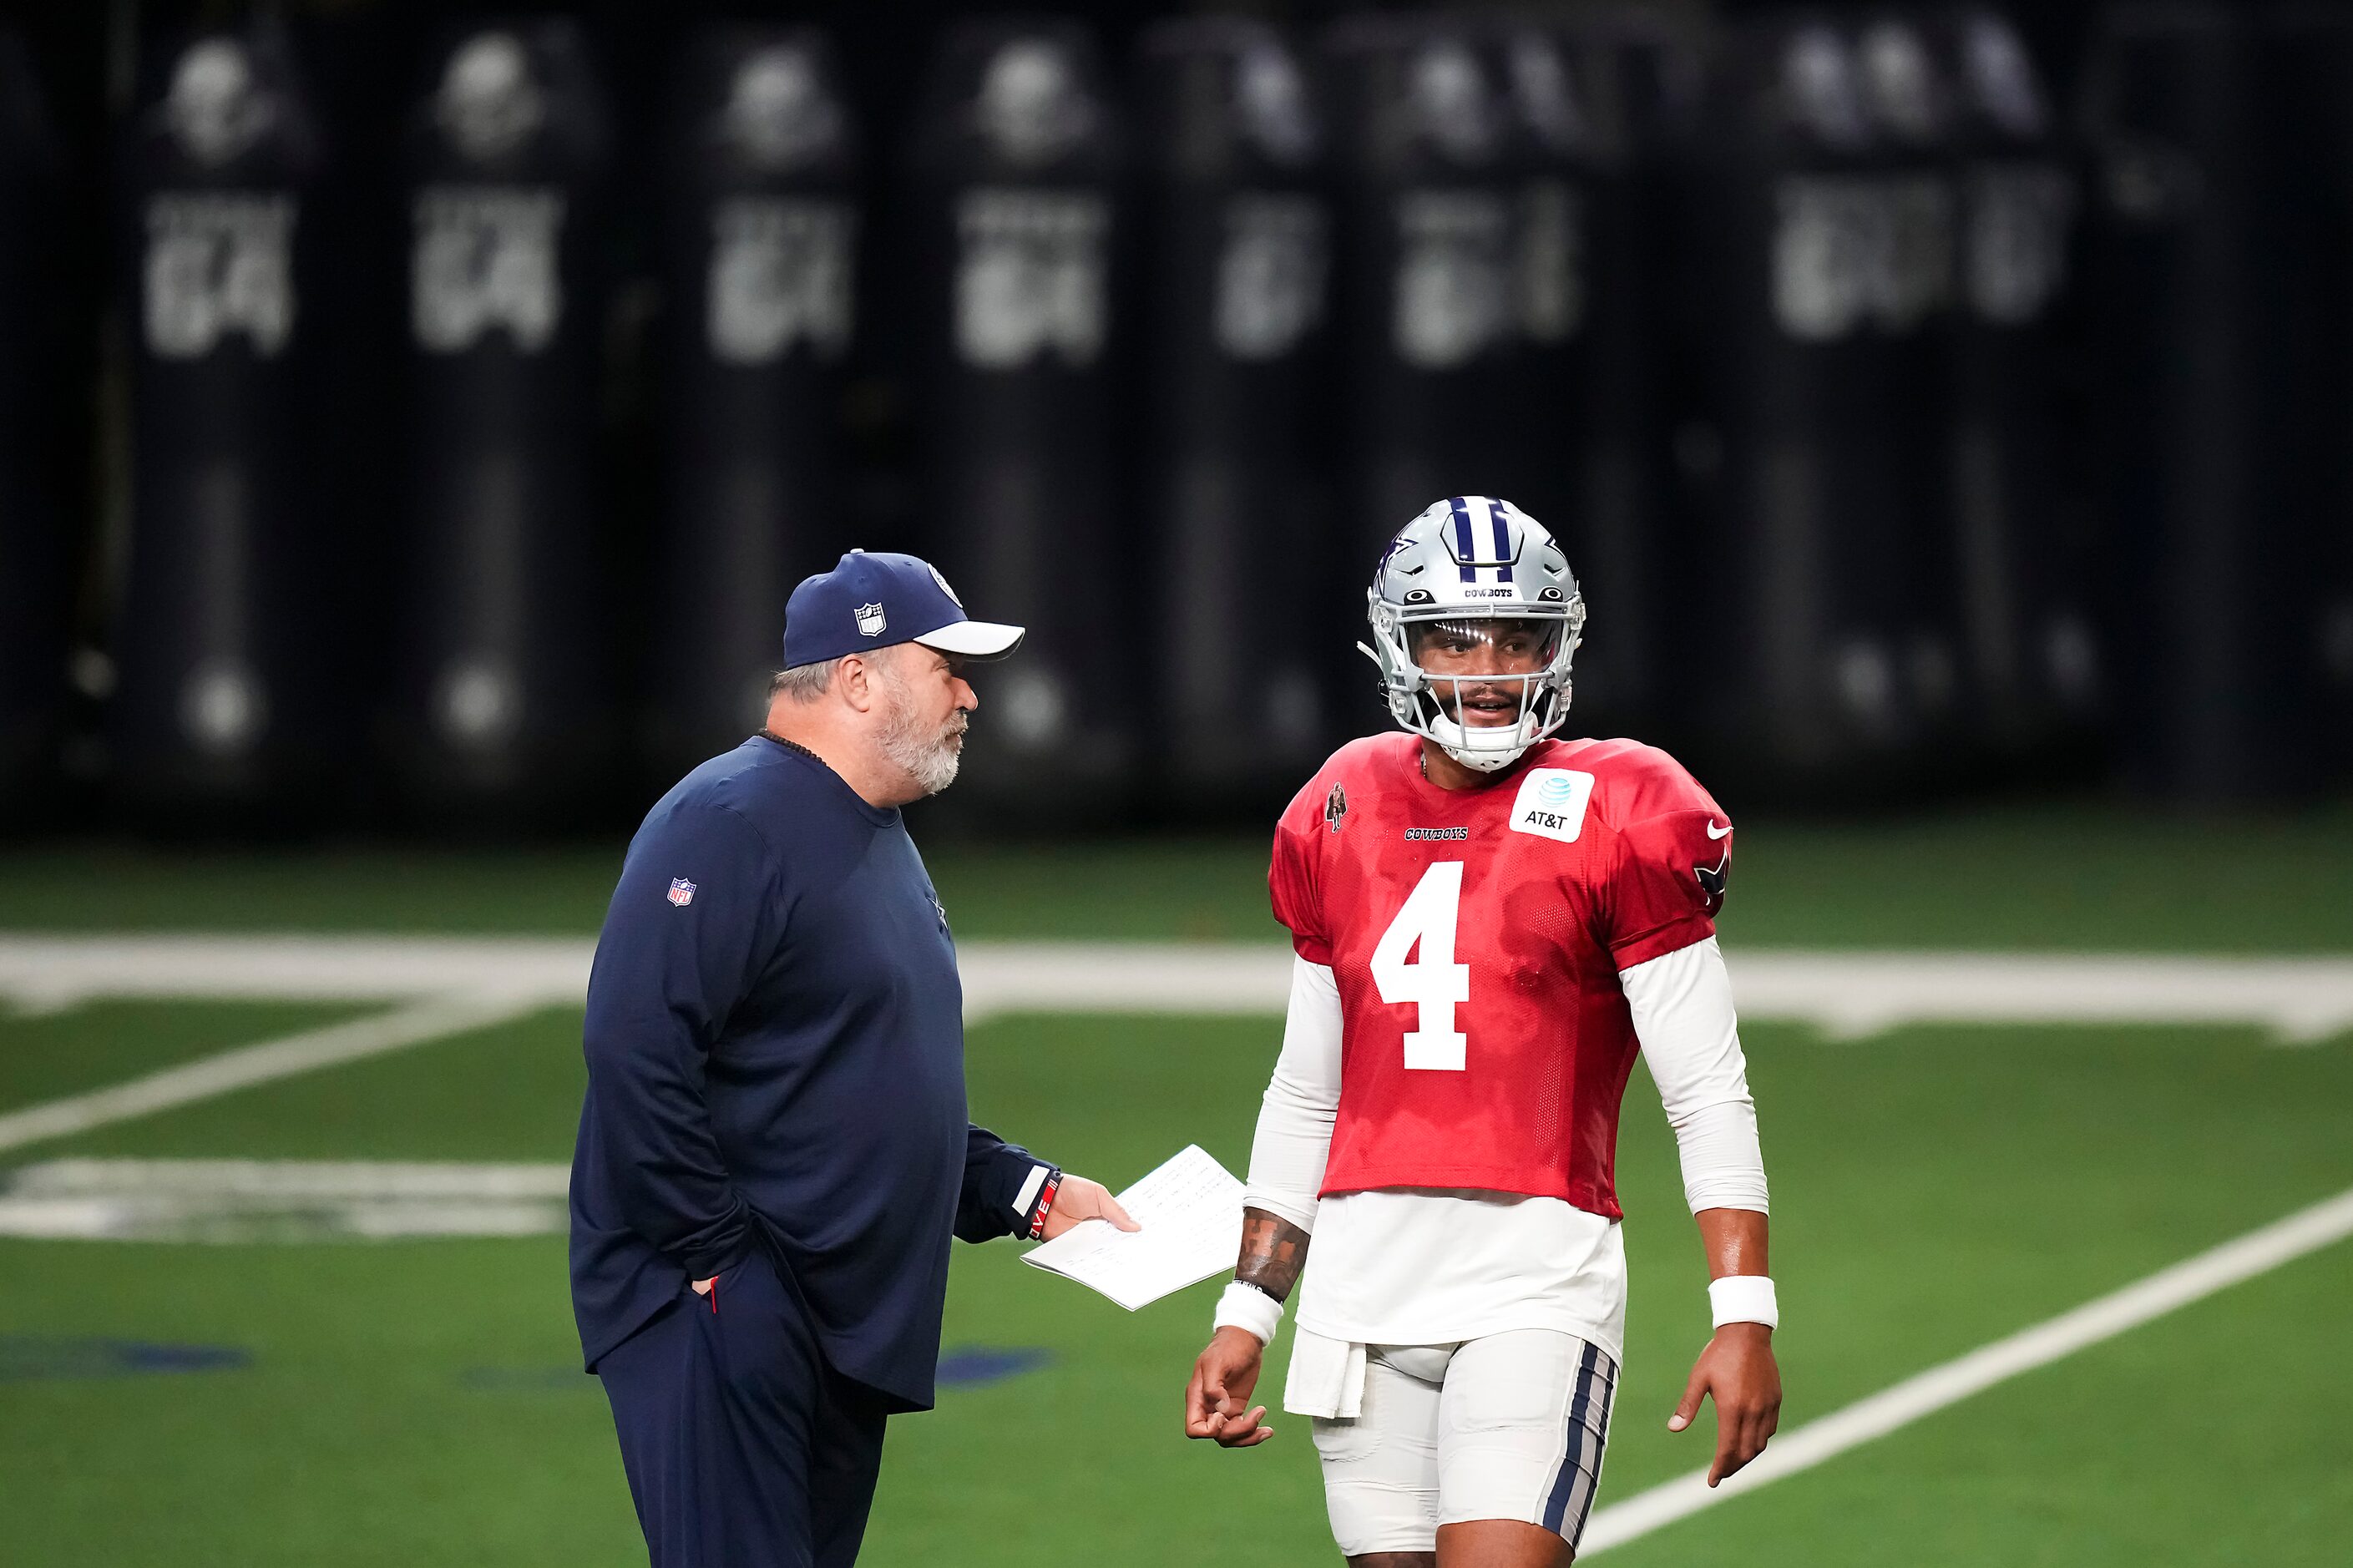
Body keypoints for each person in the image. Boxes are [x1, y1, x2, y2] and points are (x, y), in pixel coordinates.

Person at [1182, 497, 1781, 1567]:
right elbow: (1307, 1090)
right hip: (1359, 1298)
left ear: (1562, 644)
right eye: (1455, 635)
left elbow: (1706, 1088)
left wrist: (1743, 1311)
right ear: (1397, 644)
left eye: (1519, 636)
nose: (1489, 666)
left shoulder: (1627, 804)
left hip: (1532, 1283)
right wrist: (1248, 1310)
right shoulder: (1339, 801)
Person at [571, 549, 1137, 1568]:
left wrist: (1024, 1191)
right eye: (948, 669)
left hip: (827, 1316)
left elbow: (858, 1082)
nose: (970, 696)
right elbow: (633, 1054)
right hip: (730, 1307)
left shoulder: (874, 829)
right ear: (859, 676)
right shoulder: (727, 819)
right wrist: (720, 1266)